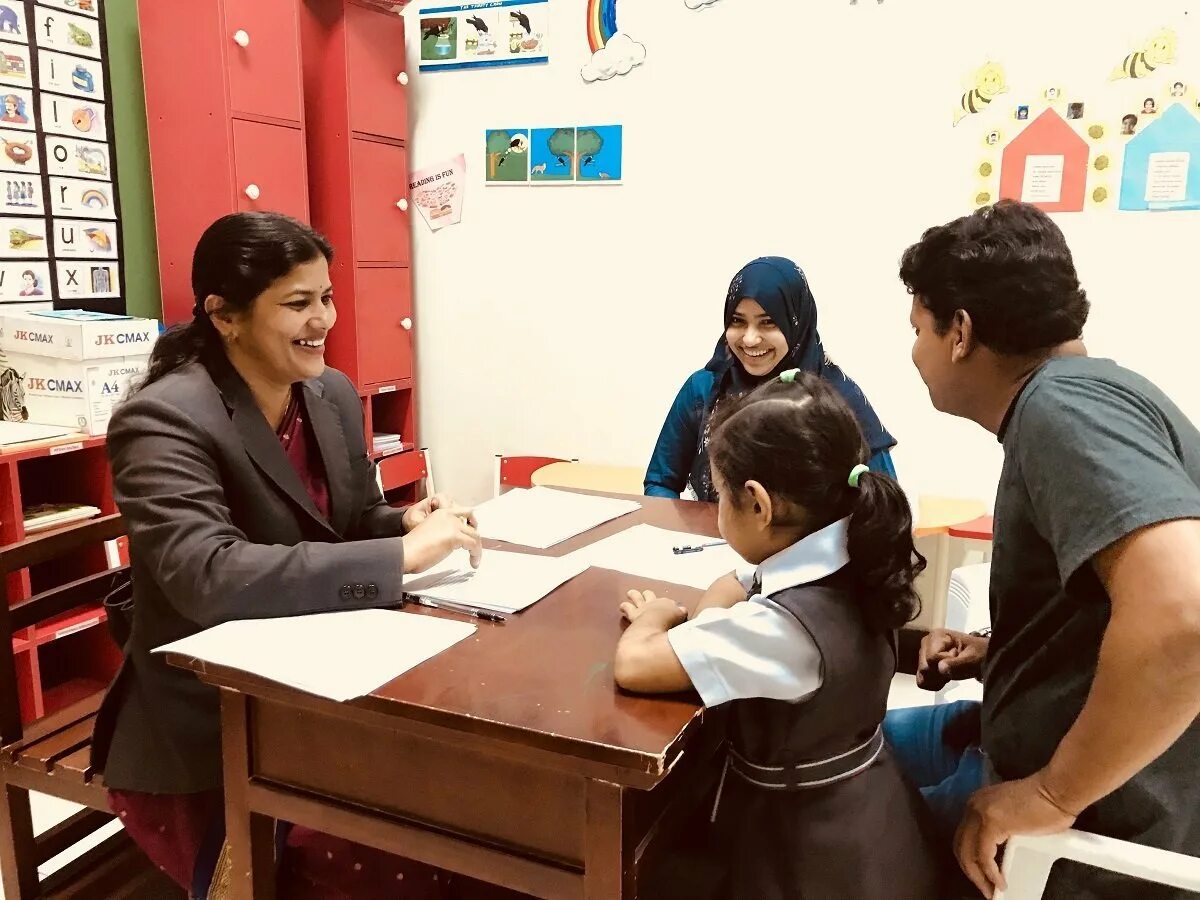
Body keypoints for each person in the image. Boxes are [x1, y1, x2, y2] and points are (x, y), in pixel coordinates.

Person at [91, 212, 503, 899]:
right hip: (211, 718)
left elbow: (337, 519)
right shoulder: (165, 419)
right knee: (388, 850)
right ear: (224, 315)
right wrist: (397, 559)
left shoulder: (329, 393)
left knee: (460, 805)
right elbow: (208, 574)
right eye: (298, 303)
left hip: (321, 677)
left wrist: (401, 520)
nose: (324, 320)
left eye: (327, 298)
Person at [889, 199, 1200, 899]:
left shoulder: (1064, 411)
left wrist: (1052, 796)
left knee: (819, 806)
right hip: (1035, 748)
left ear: (960, 333)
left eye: (917, 330)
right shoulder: (1101, 394)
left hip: (1098, 831)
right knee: (858, 747)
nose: (915, 353)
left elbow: (1183, 616)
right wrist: (1004, 655)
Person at [617, 370, 940, 899]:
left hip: (809, 855)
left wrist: (657, 615)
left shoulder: (783, 627)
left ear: (760, 506)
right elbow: (733, 582)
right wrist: (705, 627)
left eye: (719, 496)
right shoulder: (848, 545)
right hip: (866, 813)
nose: (718, 510)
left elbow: (636, 665)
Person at [644, 257, 896, 501]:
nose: (750, 339)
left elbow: (884, 503)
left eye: (768, 323)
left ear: (796, 324)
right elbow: (661, 482)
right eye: (738, 321)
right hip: (711, 540)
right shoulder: (704, 389)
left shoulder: (838, 400)